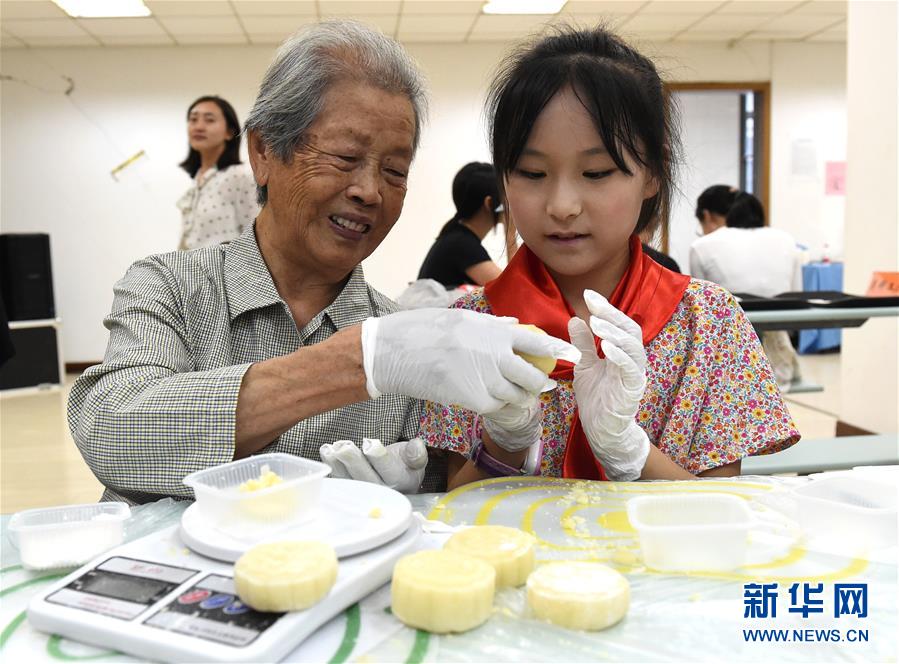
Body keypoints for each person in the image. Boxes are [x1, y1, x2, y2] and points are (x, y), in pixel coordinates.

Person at [68, 21, 574, 504]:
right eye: (345, 157)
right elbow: (112, 433)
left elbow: (450, 497)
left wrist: (506, 441)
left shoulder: (404, 334)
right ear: (264, 151)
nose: (369, 191)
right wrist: (357, 362)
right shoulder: (169, 287)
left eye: (394, 171)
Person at [418, 26, 800, 490]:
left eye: (596, 172)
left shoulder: (710, 323)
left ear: (653, 174)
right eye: (532, 172)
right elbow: (451, 510)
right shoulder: (469, 325)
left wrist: (629, 450)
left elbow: (723, 510)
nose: (562, 205)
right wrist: (506, 446)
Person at [690, 191, 804, 388]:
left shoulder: (702, 246)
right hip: (777, 350)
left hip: (727, 347)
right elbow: (796, 293)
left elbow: (703, 306)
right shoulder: (786, 240)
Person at [177, 95, 259, 250]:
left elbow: (256, 236)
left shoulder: (240, 176)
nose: (198, 126)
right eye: (193, 119)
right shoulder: (198, 179)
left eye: (209, 120)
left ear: (229, 132)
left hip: (227, 272)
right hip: (191, 271)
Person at [417, 162, 506, 288]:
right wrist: (511, 231)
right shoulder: (463, 245)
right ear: (489, 203)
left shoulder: (455, 238)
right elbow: (513, 293)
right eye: (505, 198)